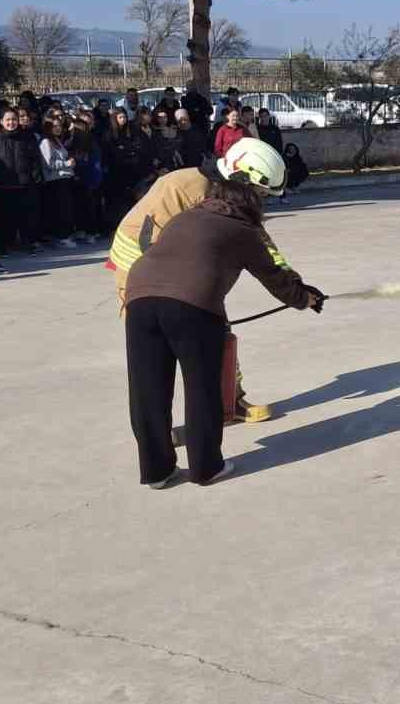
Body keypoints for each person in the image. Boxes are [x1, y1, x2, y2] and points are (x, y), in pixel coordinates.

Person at [123, 142, 322, 486]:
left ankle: (157, 471)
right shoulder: (242, 230)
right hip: (193, 307)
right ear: (254, 191)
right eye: (264, 194)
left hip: (139, 300)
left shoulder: (186, 215)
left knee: (148, 390)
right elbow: (274, 277)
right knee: (203, 390)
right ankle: (206, 467)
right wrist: (306, 298)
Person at [109, 138, 297, 426]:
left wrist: (291, 280)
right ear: (242, 176)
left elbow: (257, 239)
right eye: (260, 191)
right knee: (157, 356)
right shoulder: (181, 187)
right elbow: (149, 239)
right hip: (139, 269)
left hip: (182, 272)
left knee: (216, 331)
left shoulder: (231, 193)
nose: (262, 198)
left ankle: (229, 402)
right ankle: (160, 432)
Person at [0, 107, 43, 255]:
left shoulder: (27, 137)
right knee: (4, 218)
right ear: (1, 121)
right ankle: (3, 246)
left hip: (24, 184)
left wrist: (35, 176)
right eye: (8, 120)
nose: (11, 122)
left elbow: (35, 159)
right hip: (2, 186)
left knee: (26, 217)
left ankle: (27, 244)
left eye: (14, 119)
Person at [38, 117, 79, 248]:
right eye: (54, 126)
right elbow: (48, 163)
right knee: (61, 210)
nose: (57, 128)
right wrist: (66, 163)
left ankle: (65, 235)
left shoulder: (56, 141)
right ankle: (61, 237)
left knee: (67, 209)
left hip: (65, 178)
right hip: (55, 180)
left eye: (59, 125)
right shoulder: (46, 142)